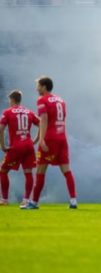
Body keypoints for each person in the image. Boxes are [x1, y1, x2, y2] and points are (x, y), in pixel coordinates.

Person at [23, 77, 77, 209]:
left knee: (41, 170)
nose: (37, 89)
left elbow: (44, 119)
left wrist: (41, 139)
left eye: (38, 86)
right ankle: (73, 201)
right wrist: (37, 138)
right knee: (67, 170)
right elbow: (63, 117)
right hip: (62, 138)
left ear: (44, 87)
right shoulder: (60, 99)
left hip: (50, 138)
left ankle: (34, 203)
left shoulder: (42, 100)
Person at [0, 90, 40, 207]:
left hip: (16, 146)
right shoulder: (29, 111)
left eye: (9, 99)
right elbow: (42, 125)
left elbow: (1, 128)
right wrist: (36, 140)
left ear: (12, 100)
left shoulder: (8, 112)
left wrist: (2, 146)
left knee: (3, 171)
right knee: (28, 173)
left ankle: (4, 199)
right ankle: (26, 200)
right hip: (28, 145)